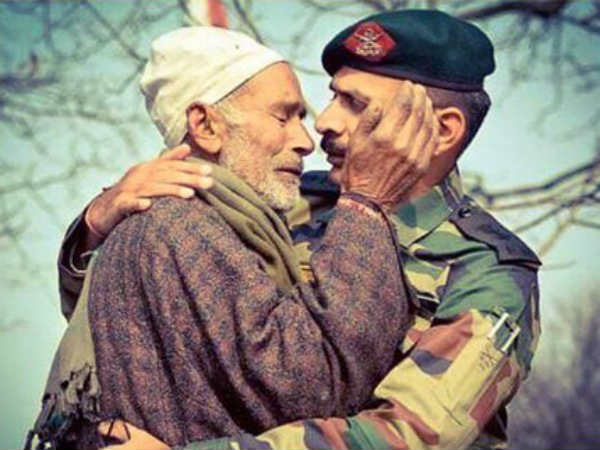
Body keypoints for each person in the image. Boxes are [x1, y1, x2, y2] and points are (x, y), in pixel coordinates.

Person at [44, 9, 540, 450]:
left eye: (356, 104)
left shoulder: (489, 274)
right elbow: (147, 311)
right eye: (332, 98)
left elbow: (406, 437)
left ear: (443, 130)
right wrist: (96, 224)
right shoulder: (293, 202)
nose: (324, 123)